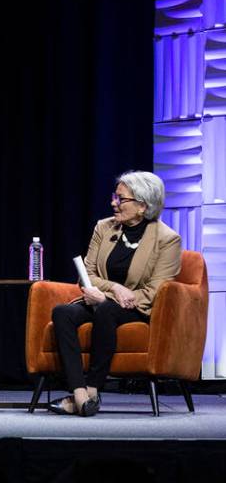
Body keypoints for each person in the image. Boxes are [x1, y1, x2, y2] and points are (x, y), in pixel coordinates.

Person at [48, 170, 181, 416]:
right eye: (114, 196)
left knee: (107, 311)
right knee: (62, 312)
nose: (113, 203)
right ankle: (79, 393)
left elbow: (156, 291)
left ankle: (93, 388)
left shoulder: (167, 240)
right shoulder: (104, 227)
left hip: (137, 308)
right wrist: (114, 289)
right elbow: (87, 275)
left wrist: (107, 297)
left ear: (142, 205)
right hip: (99, 299)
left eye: (121, 199)